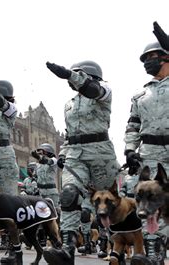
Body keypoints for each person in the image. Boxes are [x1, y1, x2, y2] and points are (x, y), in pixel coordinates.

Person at [43, 60, 120, 265]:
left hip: (100, 152)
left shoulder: (103, 90)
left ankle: (115, 245)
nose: (72, 78)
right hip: (75, 153)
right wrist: (63, 154)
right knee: (69, 194)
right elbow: (69, 134)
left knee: (109, 203)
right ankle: (67, 249)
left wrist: (70, 74)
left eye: (77, 74)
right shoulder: (69, 104)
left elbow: (92, 90)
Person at [124, 38, 169, 265]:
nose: (148, 62)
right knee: (149, 203)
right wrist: (130, 150)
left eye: (153, 57)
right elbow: (133, 125)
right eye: (146, 59)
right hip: (150, 152)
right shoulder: (140, 96)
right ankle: (153, 256)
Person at [31, 143, 60, 207]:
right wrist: (35, 188)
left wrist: (39, 157)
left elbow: (46, 161)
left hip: (51, 192)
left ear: (47, 152)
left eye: (42, 151)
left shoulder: (54, 160)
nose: (39, 153)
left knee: (54, 211)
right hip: (40, 192)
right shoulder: (37, 165)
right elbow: (34, 178)